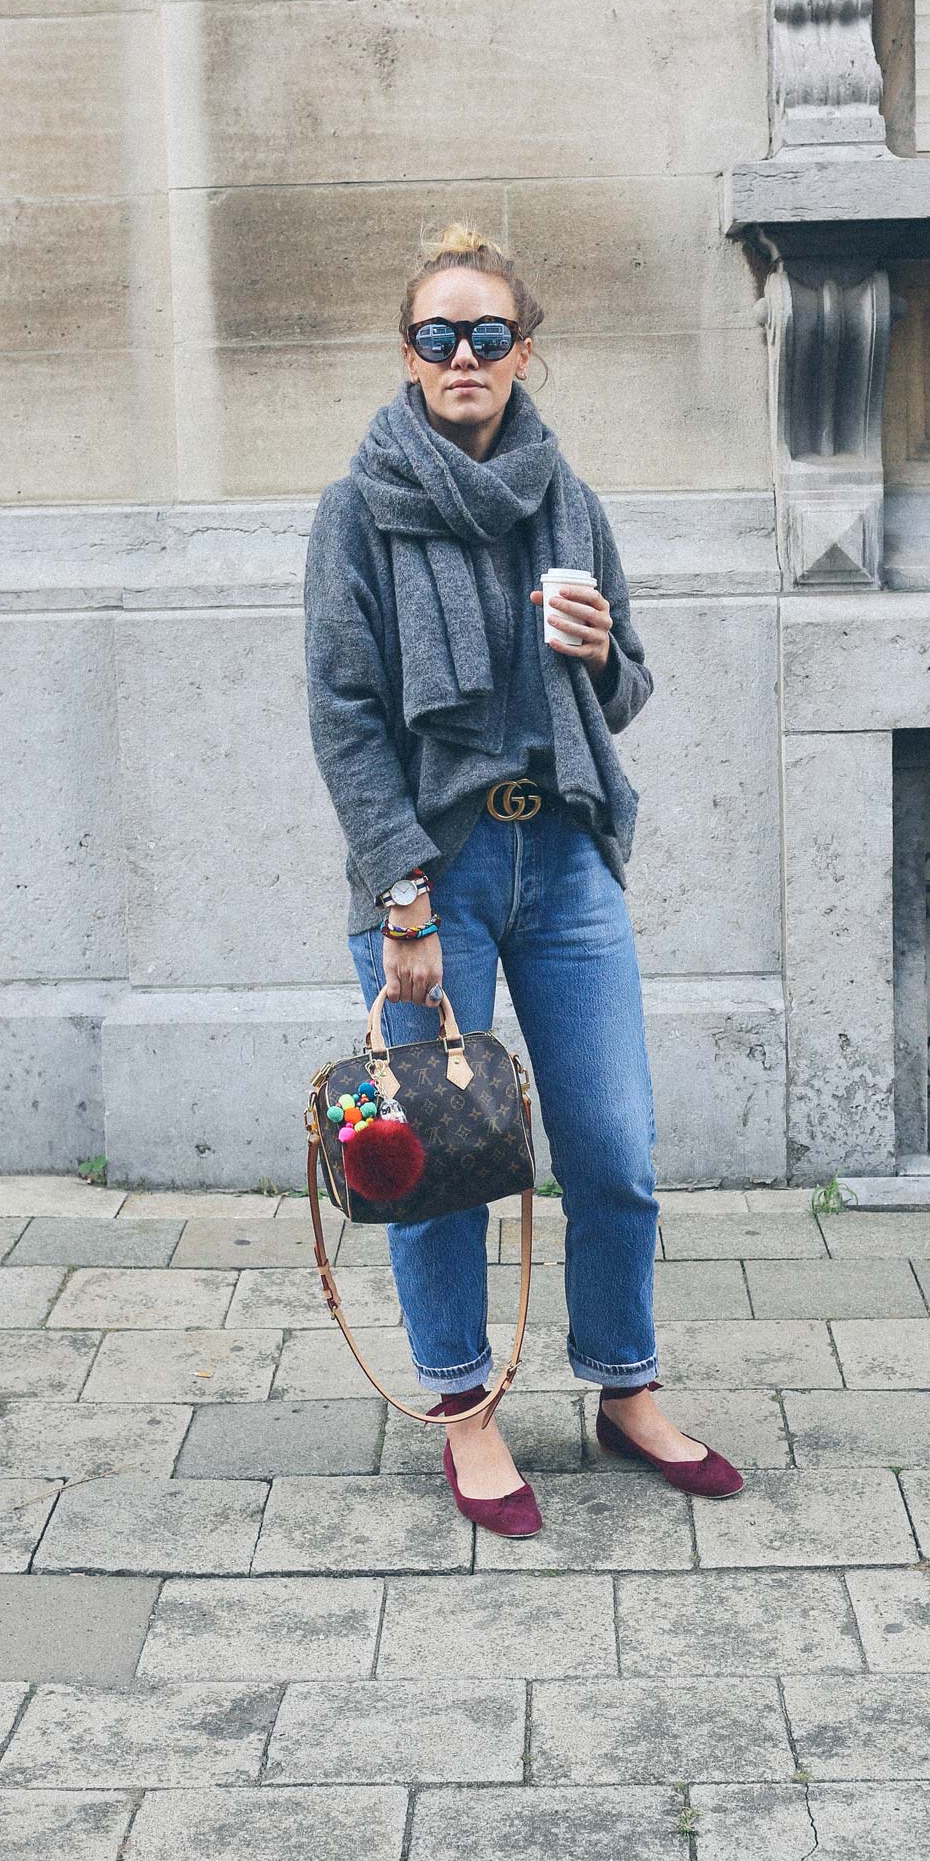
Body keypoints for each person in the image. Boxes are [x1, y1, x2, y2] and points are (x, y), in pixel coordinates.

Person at [303, 222, 744, 1537]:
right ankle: (464, 1407)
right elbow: (343, 713)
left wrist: (605, 660)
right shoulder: (360, 509)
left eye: (487, 334)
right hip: (432, 876)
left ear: (523, 351)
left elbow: (629, 687)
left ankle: (624, 1386)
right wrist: (401, 897)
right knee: (441, 1160)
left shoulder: (569, 501)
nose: (463, 355)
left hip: (564, 858)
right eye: (439, 335)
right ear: (408, 355)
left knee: (614, 1145)